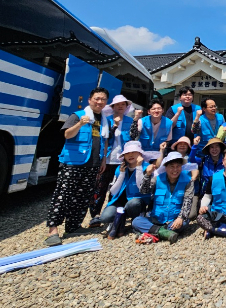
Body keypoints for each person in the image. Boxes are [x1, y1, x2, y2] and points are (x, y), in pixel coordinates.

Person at [45, 87, 110, 246]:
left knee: (82, 197)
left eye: (103, 99)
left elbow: (104, 141)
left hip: (93, 164)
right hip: (73, 163)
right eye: (97, 98)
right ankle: (53, 231)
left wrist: (103, 160)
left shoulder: (104, 120)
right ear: (90, 100)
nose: (100, 102)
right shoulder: (78, 115)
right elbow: (67, 135)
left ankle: (73, 226)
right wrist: (80, 124)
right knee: (63, 195)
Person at [88, 94, 135, 227]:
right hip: (107, 159)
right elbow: (104, 139)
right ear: (113, 106)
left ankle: (113, 214)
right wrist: (114, 126)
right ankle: (95, 215)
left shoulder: (130, 121)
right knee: (100, 187)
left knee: (118, 187)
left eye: (123, 104)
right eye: (118, 104)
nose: (120, 106)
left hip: (123, 160)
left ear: (126, 107)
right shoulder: (106, 120)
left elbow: (133, 139)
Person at [132, 151, 194, 244]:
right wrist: (147, 175)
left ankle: (154, 232)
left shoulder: (188, 181)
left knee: (184, 223)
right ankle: (164, 233)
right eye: (172, 166)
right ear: (166, 167)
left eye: (178, 166)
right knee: (136, 221)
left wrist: (180, 218)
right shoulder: (158, 179)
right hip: (156, 218)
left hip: (174, 220)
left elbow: (187, 202)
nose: (175, 170)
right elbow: (143, 191)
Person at [99, 141, 151, 240]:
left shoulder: (145, 167)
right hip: (120, 202)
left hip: (137, 201)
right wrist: (122, 175)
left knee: (133, 203)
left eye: (134, 152)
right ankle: (120, 220)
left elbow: (142, 188)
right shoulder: (120, 168)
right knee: (105, 217)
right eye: (127, 153)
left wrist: (139, 167)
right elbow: (113, 192)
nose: (130, 155)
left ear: (140, 154)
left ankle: (136, 221)